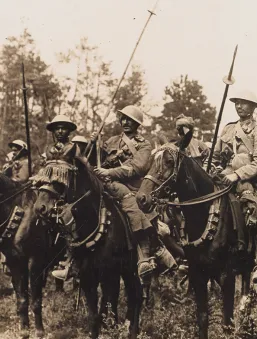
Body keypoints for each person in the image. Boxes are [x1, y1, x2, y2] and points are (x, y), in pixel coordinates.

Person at [57, 105, 176, 281]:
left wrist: (110, 173)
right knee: (76, 208)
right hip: (106, 184)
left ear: (138, 124)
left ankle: (144, 255)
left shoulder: (144, 144)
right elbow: (95, 161)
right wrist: (93, 144)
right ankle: (72, 260)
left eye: (131, 120)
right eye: (124, 119)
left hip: (132, 186)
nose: (126, 122)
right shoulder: (111, 141)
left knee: (131, 204)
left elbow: (138, 167)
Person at [212, 89, 257, 286]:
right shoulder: (228, 129)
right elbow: (216, 155)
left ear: (253, 107)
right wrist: (215, 168)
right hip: (224, 179)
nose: (239, 106)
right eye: (237, 102)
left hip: (250, 181)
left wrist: (237, 174)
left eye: (244, 103)